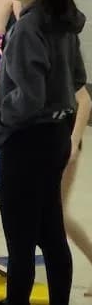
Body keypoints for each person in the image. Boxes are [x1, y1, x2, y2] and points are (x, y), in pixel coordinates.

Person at [0, 0, 87, 305]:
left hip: (26, 142)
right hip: (55, 137)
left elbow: (29, 96)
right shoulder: (62, 22)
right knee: (50, 231)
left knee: (21, 240)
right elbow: (78, 78)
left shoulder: (28, 27)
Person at [64, 86, 92, 298]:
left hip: (63, 142)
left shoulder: (63, 54)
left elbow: (85, 101)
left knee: (58, 213)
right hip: (44, 140)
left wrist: (73, 142)